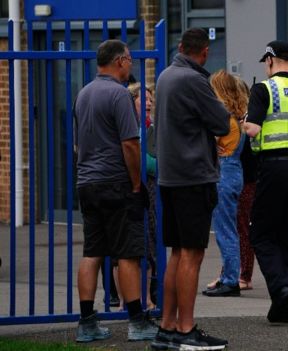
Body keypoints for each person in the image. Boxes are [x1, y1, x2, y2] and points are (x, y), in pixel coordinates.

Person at [74, 39, 158, 343]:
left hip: (87, 183)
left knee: (92, 252)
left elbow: (77, 144)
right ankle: (137, 321)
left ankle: (87, 322)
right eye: (130, 60)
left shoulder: (83, 94)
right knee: (128, 254)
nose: (131, 65)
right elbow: (130, 144)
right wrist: (136, 185)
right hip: (116, 182)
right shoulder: (119, 95)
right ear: (120, 61)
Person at [151, 28, 230, 351]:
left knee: (177, 253)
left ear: (180, 47)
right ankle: (186, 330)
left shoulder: (166, 76)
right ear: (205, 52)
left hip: (169, 177)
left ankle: (167, 326)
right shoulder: (194, 80)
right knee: (193, 255)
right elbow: (222, 123)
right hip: (193, 178)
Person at [243, 40, 288, 324]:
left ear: (271, 60)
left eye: (265, 61)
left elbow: (253, 130)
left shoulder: (264, 89)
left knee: (260, 234)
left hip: (273, 167)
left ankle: (282, 288)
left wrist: (241, 121)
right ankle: (285, 307)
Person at [201, 70, 248, 297]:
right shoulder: (237, 118)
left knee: (225, 230)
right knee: (227, 229)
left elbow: (204, 143)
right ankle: (229, 276)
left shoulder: (224, 119)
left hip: (224, 173)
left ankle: (230, 279)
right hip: (233, 171)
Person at [128, 83, 157, 310]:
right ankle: (130, 301)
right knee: (133, 249)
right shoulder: (129, 128)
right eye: (143, 99)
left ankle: (148, 297)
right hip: (133, 191)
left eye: (150, 100)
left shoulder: (153, 128)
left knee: (152, 244)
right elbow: (146, 163)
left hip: (153, 193)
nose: (148, 103)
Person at [235, 78, 257, 291]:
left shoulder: (248, 121)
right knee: (235, 227)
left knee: (243, 227)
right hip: (240, 178)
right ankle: (234, 272)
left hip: (247, 179)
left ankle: (244, 274)